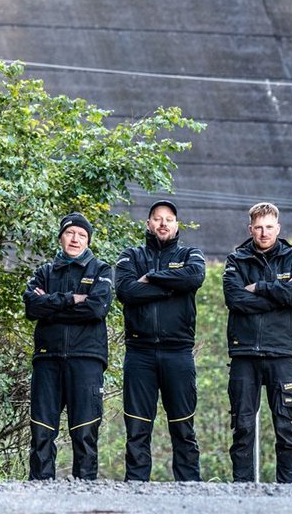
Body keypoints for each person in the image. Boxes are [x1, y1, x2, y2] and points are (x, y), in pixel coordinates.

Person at [114, 198, 207, 481]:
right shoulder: (130, 256)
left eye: (168, 218)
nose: (163, 223)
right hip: (139, 352)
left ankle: (189, 486)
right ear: (148, 224)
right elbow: (126, 291)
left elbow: (194, 277)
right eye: (157, 218)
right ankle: (136, 487)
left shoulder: (192, 254)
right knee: (138, 427)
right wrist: (170, 286)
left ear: (176, 225)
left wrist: (152, 277)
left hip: (178, 352)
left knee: (182, 426)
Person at [223, 201, 292, 483]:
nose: (264, 233)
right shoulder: (236, 260)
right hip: (244, 353)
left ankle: (288, 490)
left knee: (286, 428)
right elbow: (235, 300)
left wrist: (260, 287)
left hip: (282, 354)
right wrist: (277, 298)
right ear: (251, 229)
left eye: (269, 227)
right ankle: (242, 490)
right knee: (243, 427)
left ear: (278, 228)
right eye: (258, 228)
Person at [23, 212, 113, 481]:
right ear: (61, 237)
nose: (75, 239)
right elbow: (31, 307)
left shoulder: (101, 270)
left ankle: (84, 494)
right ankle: (39, 491)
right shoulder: (44, 272)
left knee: (84, 431)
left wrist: (51, 305)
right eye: (70, 233)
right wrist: (73, 298)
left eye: (82, 235)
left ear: (88, 240)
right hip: (47, 359)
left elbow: (97, 309)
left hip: (87, 358)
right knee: (41, 430)